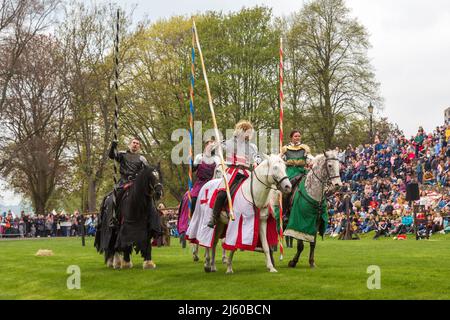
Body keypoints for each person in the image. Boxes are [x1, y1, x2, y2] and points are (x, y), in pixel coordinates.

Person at [207, 120, 261, 228]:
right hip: (232, 172)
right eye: (246, 132)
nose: (248, 135)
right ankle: (214, 217)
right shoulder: (228, 143)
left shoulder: (252, 147)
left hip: (246, 172)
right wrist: (216, 145)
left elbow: (257, 157)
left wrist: (257, 162)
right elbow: (211, 152)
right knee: (222, 193)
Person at [108, 137, 149, 224]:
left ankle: (149, 220)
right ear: (129, 144)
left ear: (139, 147)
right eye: (134, 142)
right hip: (124, 182)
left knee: (148, 197)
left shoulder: (142, 159)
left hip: (136, 184)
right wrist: (113, 146)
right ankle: (114, 218)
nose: (135, 144)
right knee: (115, 197)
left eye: (137, 143)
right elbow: (112, 156)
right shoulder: (123, 154)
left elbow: (147, 172)